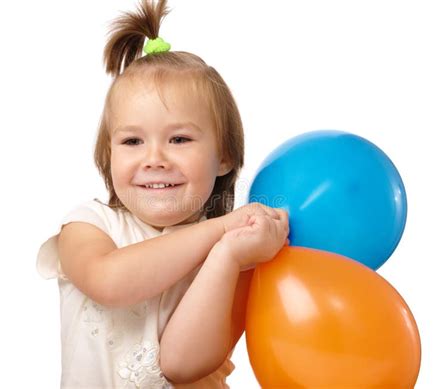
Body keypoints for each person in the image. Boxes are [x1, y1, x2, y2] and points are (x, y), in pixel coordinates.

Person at [36, 0, 289, 387]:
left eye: (179, 138)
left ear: (224, 157)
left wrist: (226, 254)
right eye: (133, 140)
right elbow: (109, 282)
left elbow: (182, 363)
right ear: (108, 154)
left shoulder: (238, 252)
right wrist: (219, 231)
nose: (154, 158)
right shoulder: (87, 226)